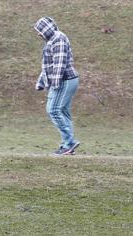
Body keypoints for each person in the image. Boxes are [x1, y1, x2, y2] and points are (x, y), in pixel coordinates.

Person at [33, 17, 80, 156]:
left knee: (53, 110)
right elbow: (48, 66)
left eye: (39, 31)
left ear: (46, 29)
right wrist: (41, 82)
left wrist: (55, 83)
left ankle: (70, 143)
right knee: (63, 112)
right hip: (65, 80)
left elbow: (59, 63)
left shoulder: (58, 38)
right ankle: (67, 145)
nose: (38, 34)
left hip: (65, 80)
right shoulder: (52, 40)